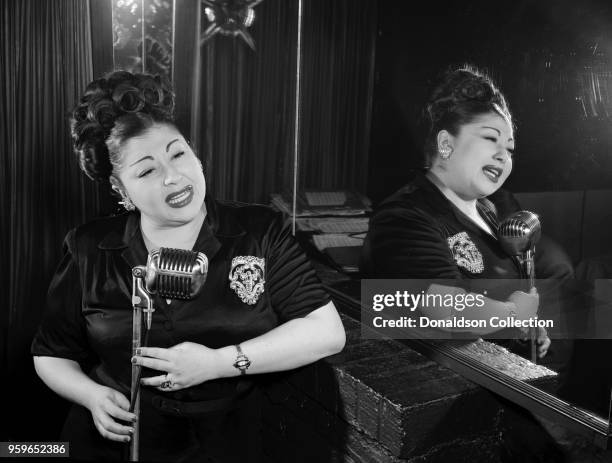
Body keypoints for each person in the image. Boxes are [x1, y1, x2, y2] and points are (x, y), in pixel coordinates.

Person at [31, 70, 346, 462]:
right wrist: (93, 396)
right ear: (119, 188)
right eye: (147, 170)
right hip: (114, 442)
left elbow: (326, 332)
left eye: (178, 153)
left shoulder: (259, 231)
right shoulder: (89, 247)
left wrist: (219, 362)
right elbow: (50, 354)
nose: (174, 177)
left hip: (226, 442)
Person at [362, 66, 550, 355]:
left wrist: (523, 329)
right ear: (446, 144)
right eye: (490, 139)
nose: (503, 155)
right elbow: (445, 311)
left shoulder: (489, 210)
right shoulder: (404, 217)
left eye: (510, 149)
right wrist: (513, 311)